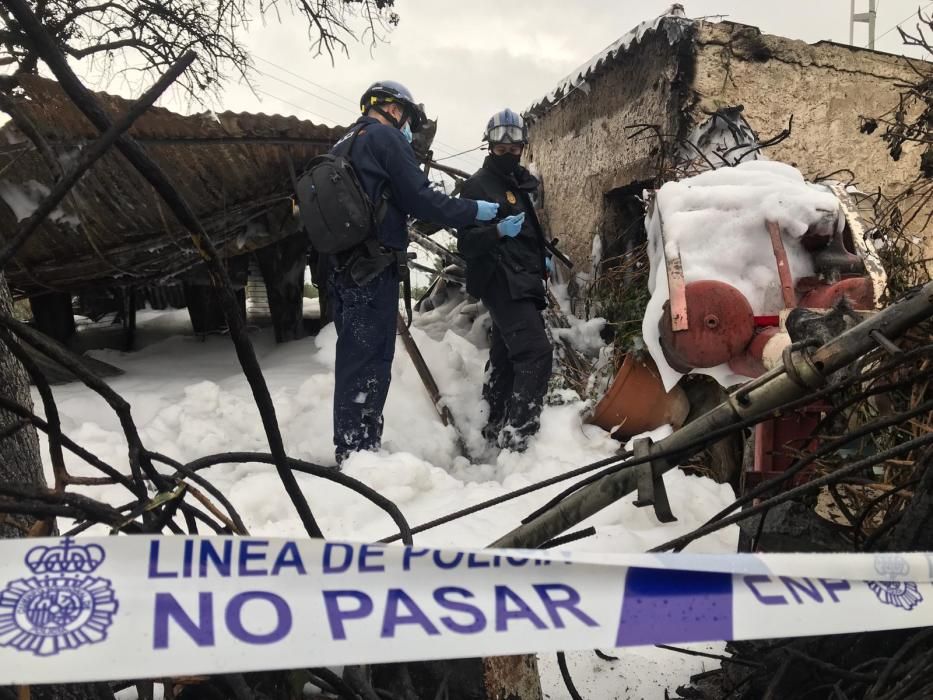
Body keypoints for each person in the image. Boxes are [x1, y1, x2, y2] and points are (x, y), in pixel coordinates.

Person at [327, 80, 499, 465]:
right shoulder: (384, 140)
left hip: (342, 272)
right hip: (372, 271)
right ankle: (358, 455)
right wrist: (473, 211)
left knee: (353, 360)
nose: (408, 127)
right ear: (393, 109)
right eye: (408, 117)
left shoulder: (343, 143)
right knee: (371, 362)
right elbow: (422, 199)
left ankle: (353, 446)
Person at [456, 108, 553, 452]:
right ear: (489, 148)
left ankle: (491, 423)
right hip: (501, 280)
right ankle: (520, 436)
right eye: (501, 150)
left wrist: (542, 254)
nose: (509, 155)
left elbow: (528, 233)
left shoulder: (519, 184)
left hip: (525, 278)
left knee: (506, 356)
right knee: (536, 353)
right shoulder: (476, 186)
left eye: (515, 150)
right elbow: (466, 244)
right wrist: (496, 232)